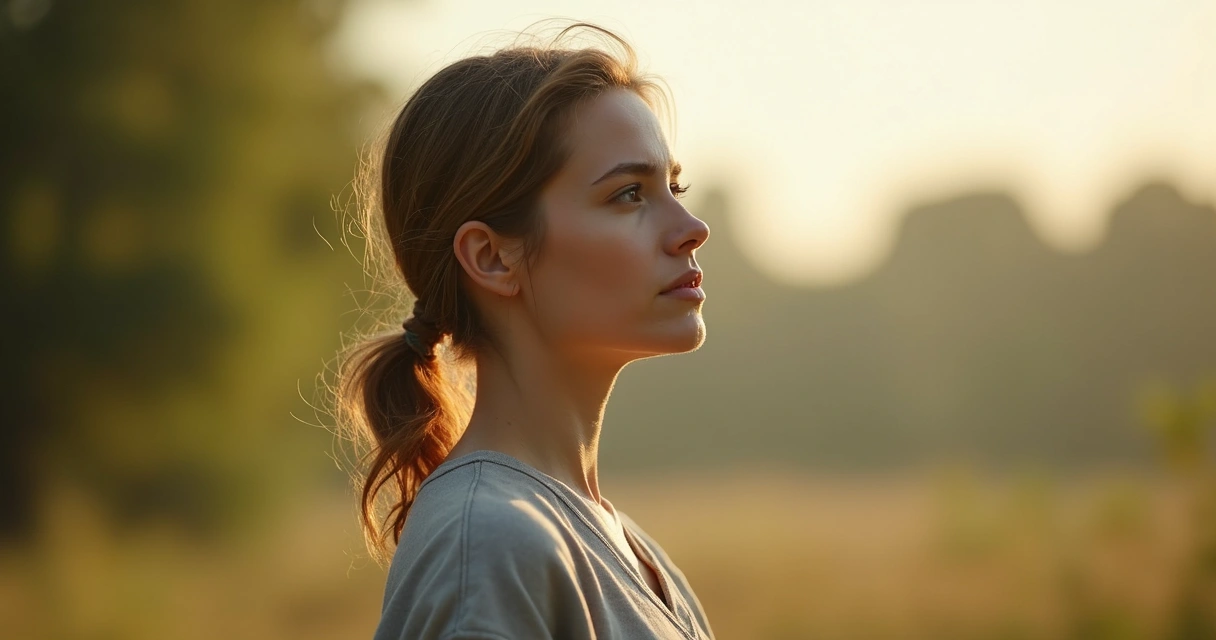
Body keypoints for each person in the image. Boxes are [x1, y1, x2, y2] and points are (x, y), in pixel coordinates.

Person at [333, 21, 715, 640]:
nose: (693, 227)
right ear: (492, 258)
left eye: (674, 186)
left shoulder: (633, 552)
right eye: (628, 194)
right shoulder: (490, 542)